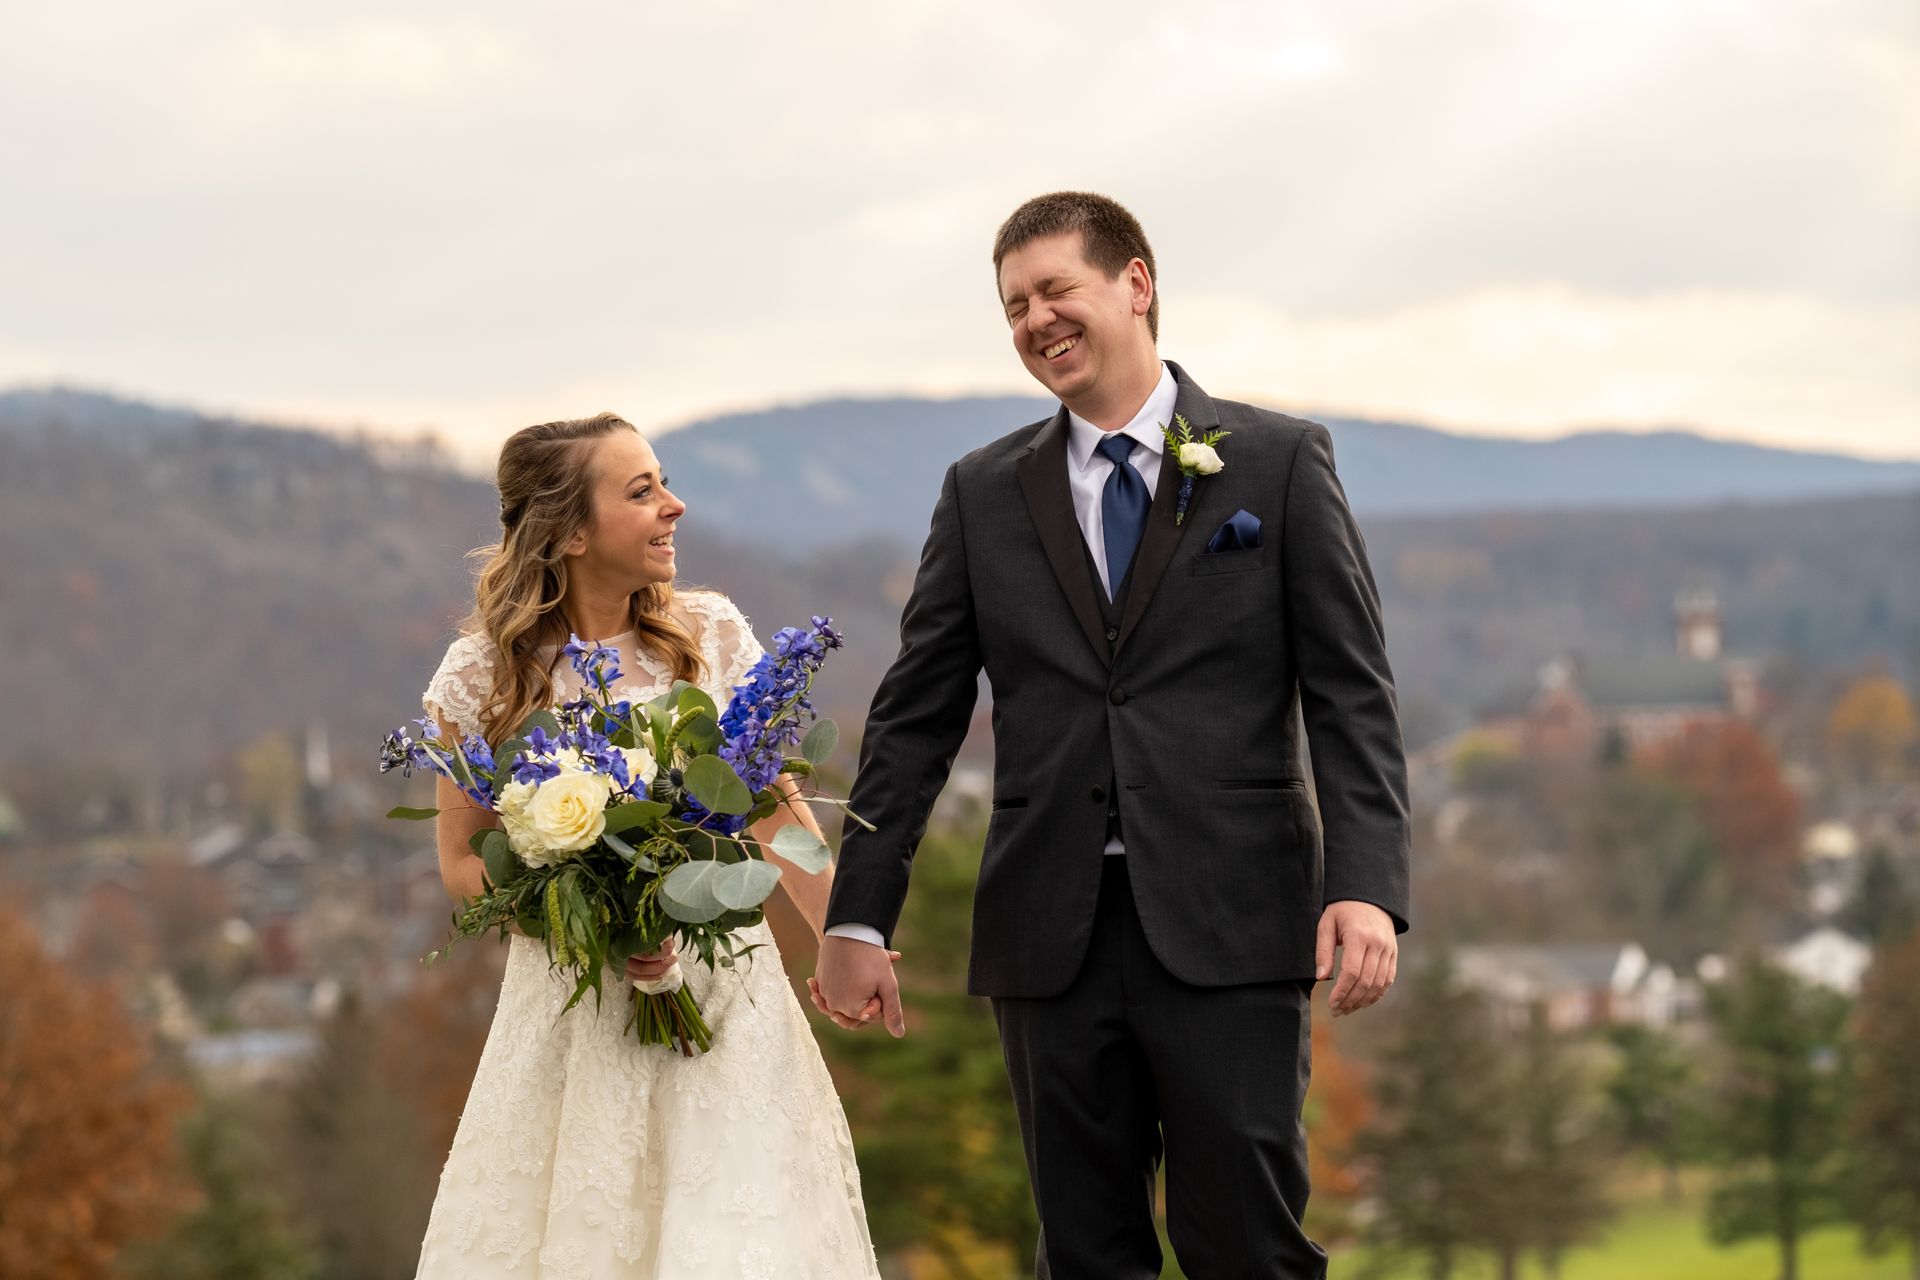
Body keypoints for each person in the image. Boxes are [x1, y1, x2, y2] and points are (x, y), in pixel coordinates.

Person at [812, 192, 1412, 1278]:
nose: (1035, 319)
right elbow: (915, 718)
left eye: (1055, 289)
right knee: (1084, 1254)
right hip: (1050, 933)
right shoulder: (982, 492)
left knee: (1249, 1247)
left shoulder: (1276, 463)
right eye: (1013, 306)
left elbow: (1351, 693)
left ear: (1136, 282)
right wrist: (858, 911)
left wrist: (1364, 882)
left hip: (1232, 924)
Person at [413, 412, 881, 1279]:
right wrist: (599, 921)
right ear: (571, 531)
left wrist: (846, 934)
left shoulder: (712, 634)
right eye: (643, 491)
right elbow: (463, 863)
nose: (676, 505)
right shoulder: (481, 676)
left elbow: (777, 812)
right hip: (575, 1010)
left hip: (731, 1000)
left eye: (663, 482)